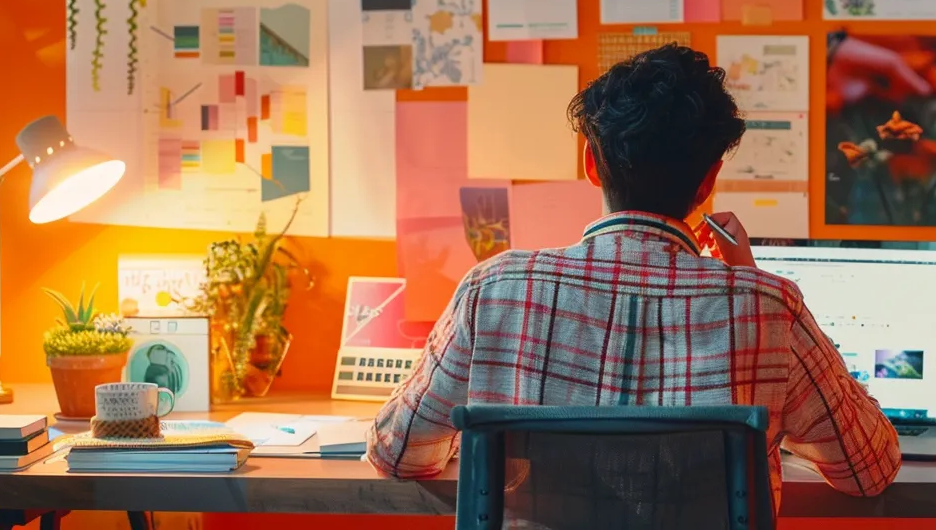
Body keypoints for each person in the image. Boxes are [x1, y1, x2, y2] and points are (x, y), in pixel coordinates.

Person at [368, 44, 905, 501]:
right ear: (708, 181)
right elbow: (869, 469)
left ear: (591, 163)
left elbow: (396, 453)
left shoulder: (495, 290)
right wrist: (749, 282)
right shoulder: (767, 307)